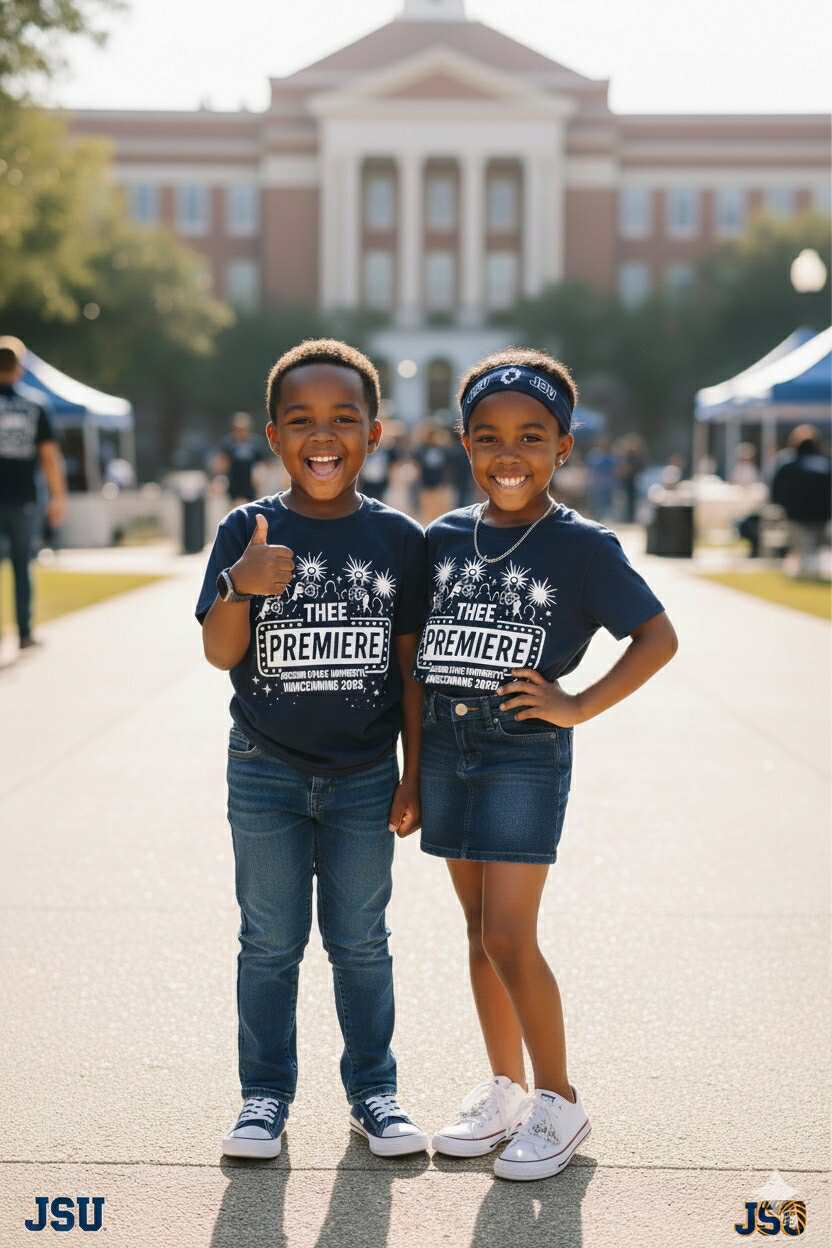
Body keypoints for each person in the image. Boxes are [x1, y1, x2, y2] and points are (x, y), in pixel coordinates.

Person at [414, 348, 678, 1182]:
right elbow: (416, 656)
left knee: (508, 933)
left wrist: (575, 704)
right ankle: (504, 1089)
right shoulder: (444, 538)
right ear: (464, 443)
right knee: (474, 932)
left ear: (564, 446)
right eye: (489, 436)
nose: (509, 454)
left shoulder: (584, 547)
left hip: (521, 754)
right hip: (447, 751)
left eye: (532, 436)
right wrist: (408, 769)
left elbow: (658, 638)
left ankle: (558, 1100)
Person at [196, 339, 429, 1162]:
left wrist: (416, 772)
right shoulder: (246, 527)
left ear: (373, 433)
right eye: (302, 421)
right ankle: (263, 1096)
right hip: (266, 771)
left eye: (343, 419)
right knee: (269, 940)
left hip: (367, 778)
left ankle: (376, 1092)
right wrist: (239, 584)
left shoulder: (400, 539)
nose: (322, 436)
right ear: (273, 435)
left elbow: (410, 670)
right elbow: (221, 653)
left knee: (362, 942)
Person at [0, 336, 67, 650]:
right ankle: (24, 633)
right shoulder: (35, 404)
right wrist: (57, 496)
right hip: (24, 497)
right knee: (21, 565)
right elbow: (49, 457)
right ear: (20, 367)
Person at [769, 425, 831, 578]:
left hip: (796, 515)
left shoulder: (787, 466)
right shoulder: (827, 465)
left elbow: (776, 491)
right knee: (814, 548)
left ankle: (808, 572)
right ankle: (811, 572)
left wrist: (784, 507)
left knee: (805, 548)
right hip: (821, 515)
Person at [213, 411, 269, 505]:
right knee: (234, 509)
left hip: (250, 483)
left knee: (251, 508)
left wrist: (261, 477)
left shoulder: (255, 443)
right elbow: (222, 462)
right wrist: (219, 479)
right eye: (238, 429)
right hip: (234, 481)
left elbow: (262, 463)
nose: (241, 431)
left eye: (243, 429)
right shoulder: (228, 443)